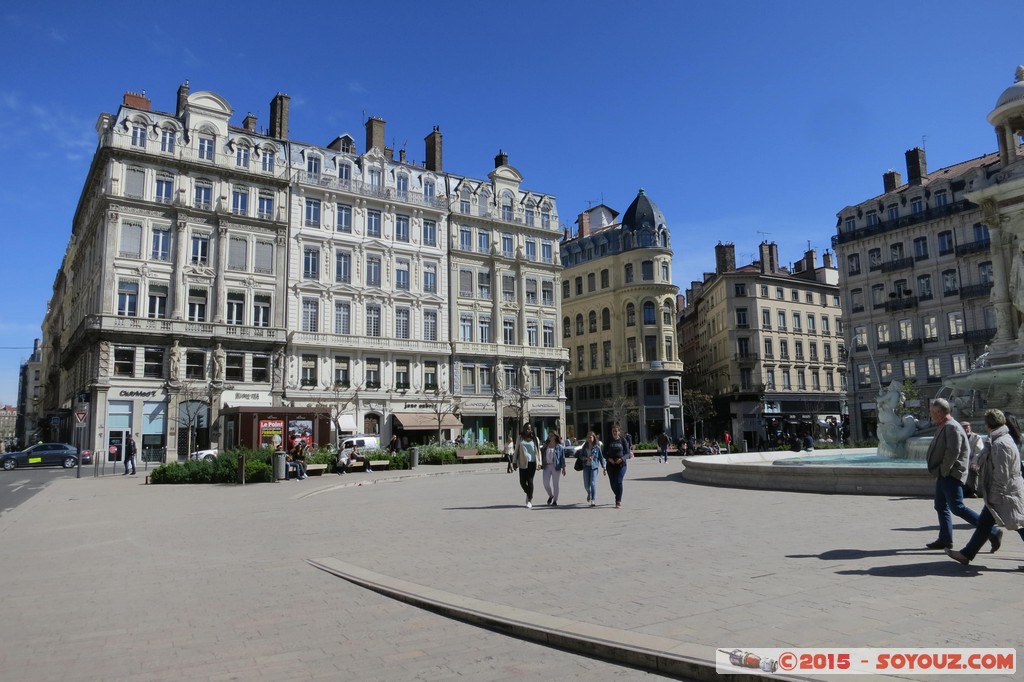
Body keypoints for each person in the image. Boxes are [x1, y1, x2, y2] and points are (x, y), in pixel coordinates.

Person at [946, 409, 1024, 566]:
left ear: (988, 425)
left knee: (1019, 524)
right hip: (1004, 491)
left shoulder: (1001, 444)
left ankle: (967, 554)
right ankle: (966, 554)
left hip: (1003, 493)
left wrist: (996, 494)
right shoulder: (1000, 439)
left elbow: (1001, 474)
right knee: (985, 523)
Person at [924, 398, 1000, 550]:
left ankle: (993, 532)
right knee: (940, 506)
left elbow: (953, 451)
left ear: (940, 412)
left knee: (957, 507)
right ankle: (945, 538)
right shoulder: (944, 425)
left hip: (951, 474)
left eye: (932, 412)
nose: (930, 415)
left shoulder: (951, 426)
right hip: (944, 474)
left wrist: (944, 471)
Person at [604, 424, 631, 509]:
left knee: (619, 481)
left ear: (619, 432)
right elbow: (604, 452)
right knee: (613, 484)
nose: (615, 432)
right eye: (613, 431)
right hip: (611, 464)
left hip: (621, 464)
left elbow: (628, 454)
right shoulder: (609, 439)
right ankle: (618, 493)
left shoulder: (622, 440)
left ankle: (618, 500)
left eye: (616, 431)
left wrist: (622, 458)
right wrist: (609, 459)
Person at [576, 431, 605, 507]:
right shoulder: (584, 447)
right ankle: (589, 493)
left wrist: (604, 467)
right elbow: (580, 456)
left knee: (593, 483)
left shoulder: (597, 447)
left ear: (594, 438)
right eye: (588, 437)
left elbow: (601, 458)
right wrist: (586, 458)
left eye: (591, 437)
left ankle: (593, 500)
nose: (589, 438)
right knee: (586, 485)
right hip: (586, 467)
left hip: (594, 467)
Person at [515, 423, 541, 508]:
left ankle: (530, 499)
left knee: (530, 481)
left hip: (532, 462)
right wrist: (514, 461)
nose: (527, 430)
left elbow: (538, 451)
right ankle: (529, 493)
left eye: (529, 429)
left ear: (531, 430)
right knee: (522, 482)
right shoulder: (520, 438)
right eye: (526, 428)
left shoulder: (535, 439)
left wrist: (539, 463)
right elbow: (516, 450)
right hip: (522, 462)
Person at [540, 431, 566, 506]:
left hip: (556, 466)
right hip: (547, 466)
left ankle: (555, 500)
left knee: (555, 484)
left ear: (555, 437)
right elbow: (540, 454)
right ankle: (551, 495)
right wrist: (543, 448)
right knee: (546, 483)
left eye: (551, 436)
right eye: (549, 436)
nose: (550, 437)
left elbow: (562, 458)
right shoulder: (546, 445)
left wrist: (563, 468)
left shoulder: (559, 447)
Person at [962, 421, 984, 498]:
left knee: (973, 469)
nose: (965, 429)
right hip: (962, 460)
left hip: (973, 460)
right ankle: (963, 490)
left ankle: (973, 491)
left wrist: (974, 462)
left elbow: (978, 452)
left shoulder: (976, 437)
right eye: (963, 427)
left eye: (967, 427)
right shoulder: (957, 436)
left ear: (970, 428)